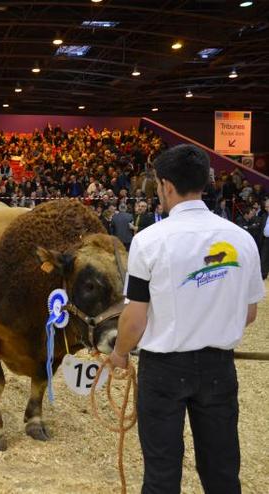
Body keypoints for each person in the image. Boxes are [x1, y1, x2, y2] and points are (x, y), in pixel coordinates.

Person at [111, 144, 264, 494]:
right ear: (205, 182)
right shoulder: (242, 240)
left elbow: (135, 318)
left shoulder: (148, 241)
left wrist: (119, 353)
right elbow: (250, 313)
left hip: (163, 370)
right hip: (218, 369)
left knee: (162, 475)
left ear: (165, 185)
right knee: (222, 471)